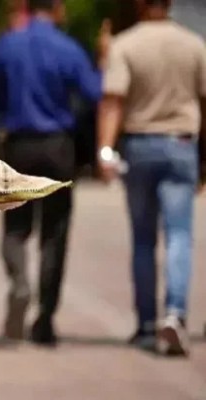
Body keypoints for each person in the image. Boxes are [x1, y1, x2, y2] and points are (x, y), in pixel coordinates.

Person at [0, 0, 109, 345]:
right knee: (55, 232)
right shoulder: (68, 48)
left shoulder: (8, 44)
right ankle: (45, 319)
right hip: (58, 146)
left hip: (18, 145)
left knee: (15, 228)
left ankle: (19, 280)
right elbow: (95, 93)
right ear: (58, 9)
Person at [98, 0, 206, 356]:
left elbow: (113, 99)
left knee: (143, 239)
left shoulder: (125, 45)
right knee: (179, 234)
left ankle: (145, 325)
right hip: (181, 143)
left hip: (140, 145)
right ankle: (174, 315)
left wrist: (105, 150)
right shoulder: (194, 45)